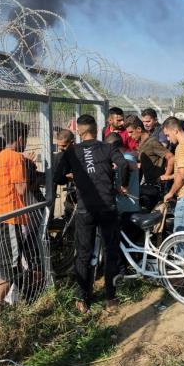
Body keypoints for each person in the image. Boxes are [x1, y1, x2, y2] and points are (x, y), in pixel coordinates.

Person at [54, 114, 128, 314]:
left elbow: (58, 177)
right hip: (106, 206)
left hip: (85, 208)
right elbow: (123, 164)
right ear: (96, 130)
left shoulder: (72, 151)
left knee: (83, 254)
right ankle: (111, 298)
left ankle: (82, 298)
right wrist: (121, 184)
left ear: (79, 131)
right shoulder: (108, 147)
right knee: (111, 251)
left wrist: (76, 175)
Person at [0, 120, 42, 316]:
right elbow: (21, 190)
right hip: (12, 218)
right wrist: (31, 171)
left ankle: (19, 303)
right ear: (21, 138)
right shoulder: (15, 158)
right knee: (10, 269)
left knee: (7, 266)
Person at [125, 117, 174, 210]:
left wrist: (166, 176)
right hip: (148, 185)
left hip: (155, 188)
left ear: (139, 129)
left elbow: (171, 157)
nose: (129, 135)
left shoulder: (152, 142)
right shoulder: (141, 143)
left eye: (131, 132)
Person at [104, 132, 141, 214]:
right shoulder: (127, 157)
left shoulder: (125, 158)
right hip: (126, 206)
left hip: (127, 206)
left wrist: (123, 186)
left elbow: (126, 166)